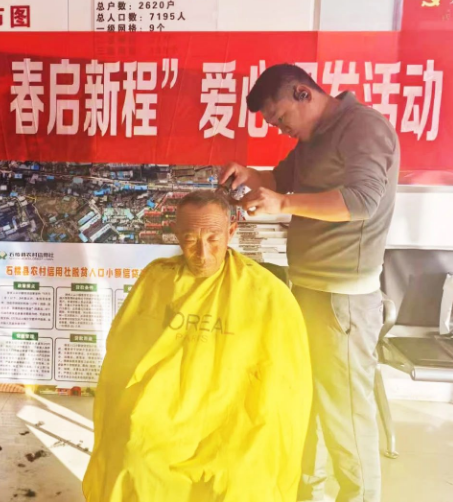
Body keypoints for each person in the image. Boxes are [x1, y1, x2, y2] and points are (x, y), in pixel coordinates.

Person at [219, 64, 400, 502]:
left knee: (347, 417)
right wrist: (250, 176)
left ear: (303, 93)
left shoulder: (363, 128)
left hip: (343, 299)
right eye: (273, 124)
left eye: (281, 117)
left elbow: (362, 201)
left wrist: (283, 203)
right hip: (309, 290)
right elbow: (281, 181)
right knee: (310, 405)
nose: (280, 129)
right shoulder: (312, 139)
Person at [82, 190, 312, 502]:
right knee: (133, 456)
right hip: (164, 410)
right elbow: (125, 352)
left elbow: (287, 380)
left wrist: (261, 423)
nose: (203, 253)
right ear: (176, 233)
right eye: (191, 239)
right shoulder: (157, 279)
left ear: (231, 231)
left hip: (234, 415)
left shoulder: (267, 293)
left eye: (213, 239)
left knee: (241, 476)